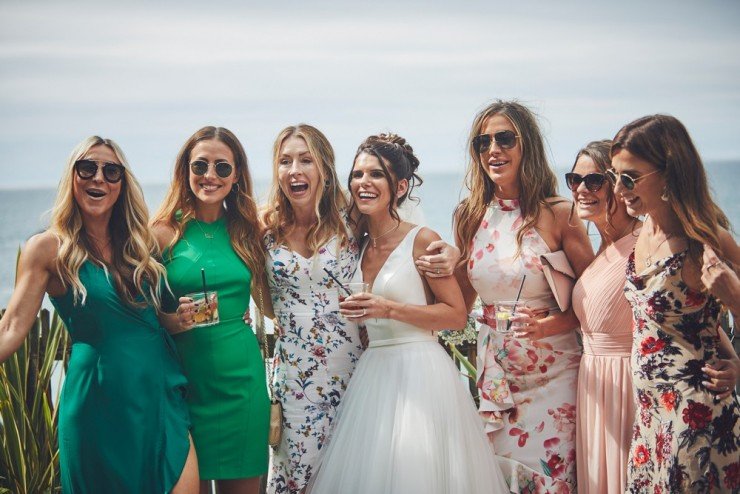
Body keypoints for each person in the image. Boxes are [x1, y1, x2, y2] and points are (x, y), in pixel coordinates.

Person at [261, 124, 459, 494]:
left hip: (355, 375)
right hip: (294, 380)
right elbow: (262, 298)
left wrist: (452, 251)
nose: (295, 170)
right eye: (285, 161)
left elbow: (398, 240)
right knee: (299, 480)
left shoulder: (349, 223)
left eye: (306, 160)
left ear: (324, 167)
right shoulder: (264, 228)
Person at [308, 133, 510, 494]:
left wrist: (388, 308)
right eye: (357, 174)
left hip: (420, 371)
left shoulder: (421, 239)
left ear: (399, 187)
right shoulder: (356, 242)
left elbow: (455, 315)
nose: (364, 183)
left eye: (376, 175)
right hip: (373, 373)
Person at [0, 136, 198, 493]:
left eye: (111, 171)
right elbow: (11, 327)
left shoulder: (139, 245)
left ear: (122, 184)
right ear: (72, 178)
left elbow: (143, 320)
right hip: (98, 405)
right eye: (87, 168)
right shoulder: (48, 248)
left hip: (159, 395)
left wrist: (182, 320)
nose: (98, 179)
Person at [453, 100, 594, 492]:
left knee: (552, 481)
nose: (493, 150)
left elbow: (598, 301)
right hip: (497, 378)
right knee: (501, 479)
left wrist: (557, 321)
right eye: (483, 142)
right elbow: (458, 304)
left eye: (504, 138)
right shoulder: (469, 216)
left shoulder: (560, 213)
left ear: (526, 144)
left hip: (555, 375)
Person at [610, 114, 739, 493]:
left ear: (668, 174)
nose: (619, 189)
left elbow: (726, 302)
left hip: (692, 417)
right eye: (614, 174)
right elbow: (696, 320)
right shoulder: (644, 226)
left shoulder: (701, 239)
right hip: (651, 413)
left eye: (629, 177)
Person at [151, 126, 269, 494]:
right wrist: (172, 321)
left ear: (236, 176)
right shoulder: (160, 234)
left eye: (222, 167)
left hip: (242, 383)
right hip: (184, 386)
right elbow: (134, 308)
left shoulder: (250, 229)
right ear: (185, 171)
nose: (210, 176)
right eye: (200, 165)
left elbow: (319, 222)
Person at [566, 140, 641, 493]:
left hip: (628, 386)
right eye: (574, 180)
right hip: (593, 385)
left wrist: (732, 360)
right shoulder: (604, 247)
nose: (582, 189)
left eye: (594, 181)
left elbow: (683, 310)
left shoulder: (644, 242)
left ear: (619, 184)